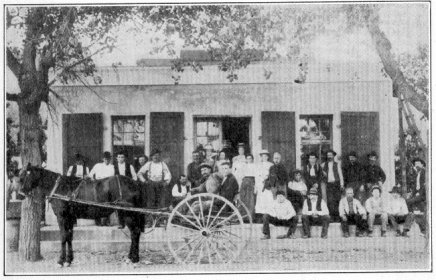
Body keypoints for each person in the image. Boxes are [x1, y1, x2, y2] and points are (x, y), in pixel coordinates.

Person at [88, 151, 115, 226]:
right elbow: (90, 174)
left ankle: (106, 220)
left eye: (108, 159)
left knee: (107, 202)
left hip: (107, 184)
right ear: (103, 159)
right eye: (105, 159)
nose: (107, 160)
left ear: (110, 159)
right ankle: (98, 220)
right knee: (97, 202)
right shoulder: (97, 165)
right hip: (97, 184)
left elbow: (111, 177)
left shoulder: (112, 167)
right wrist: (93, 179)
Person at [113, 151, 137, 229]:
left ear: (125, 158)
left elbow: (135, 177)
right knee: (119, 205)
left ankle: (130, 223)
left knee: (129, 205)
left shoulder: (129, 166)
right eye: (119, 157)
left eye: (122, 157)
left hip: (128, 188)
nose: (120, 159)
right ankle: (121, 223)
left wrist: (130, 183)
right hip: (118, 188)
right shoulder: (113, 167)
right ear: (116, 158)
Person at [321, 149, 344, 222]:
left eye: (330, 155)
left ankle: (337, 217)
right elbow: (321, 174)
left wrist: (342, 184)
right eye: (328, 155)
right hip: (329, 184)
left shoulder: (337, 164)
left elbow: (340, 175)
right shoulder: (323, 164)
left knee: (337, 200)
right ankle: (331, 217)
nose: (329, 156)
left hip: (336, 184)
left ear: (333, 156)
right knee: (330, 201)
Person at [406, 158, 427, 236]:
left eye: (418, 163)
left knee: (411, 203)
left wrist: (419, 194)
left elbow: (425, 185)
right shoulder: (417, 173)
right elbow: (415, 186)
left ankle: (423, 230)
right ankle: (412, 218)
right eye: (415, 164)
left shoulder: (425, 172)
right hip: (417, 194)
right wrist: (412, 195)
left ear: (422, 164)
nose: (416, 165)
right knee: (408, 201)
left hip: (423, 194)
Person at [254, 150, 274, 222]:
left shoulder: (271, 165)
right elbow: (256, 176)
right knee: (260, 200)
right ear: (261, 157)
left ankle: (268, 217)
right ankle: (261, 218)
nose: (264, 157)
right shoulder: (258, 165)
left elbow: (272, 175)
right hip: (260, 185)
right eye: (262, 156)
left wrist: (267, 178)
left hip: (267, 185)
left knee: (268, 199)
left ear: (268, 157)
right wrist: (256, 187)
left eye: (265, 156)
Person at [240, 154, 257, 220]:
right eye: (247, 158)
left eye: (250, 158)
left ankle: (250, 217)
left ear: (252, 159)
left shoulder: (255, 166)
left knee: (251, 200)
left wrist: (255, 185)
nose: (249, 160)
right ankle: (243, 217)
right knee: (243, 199)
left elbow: (256, 176)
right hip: (244, 182)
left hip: (251, 181)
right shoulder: (244, 166)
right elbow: (241, 175)